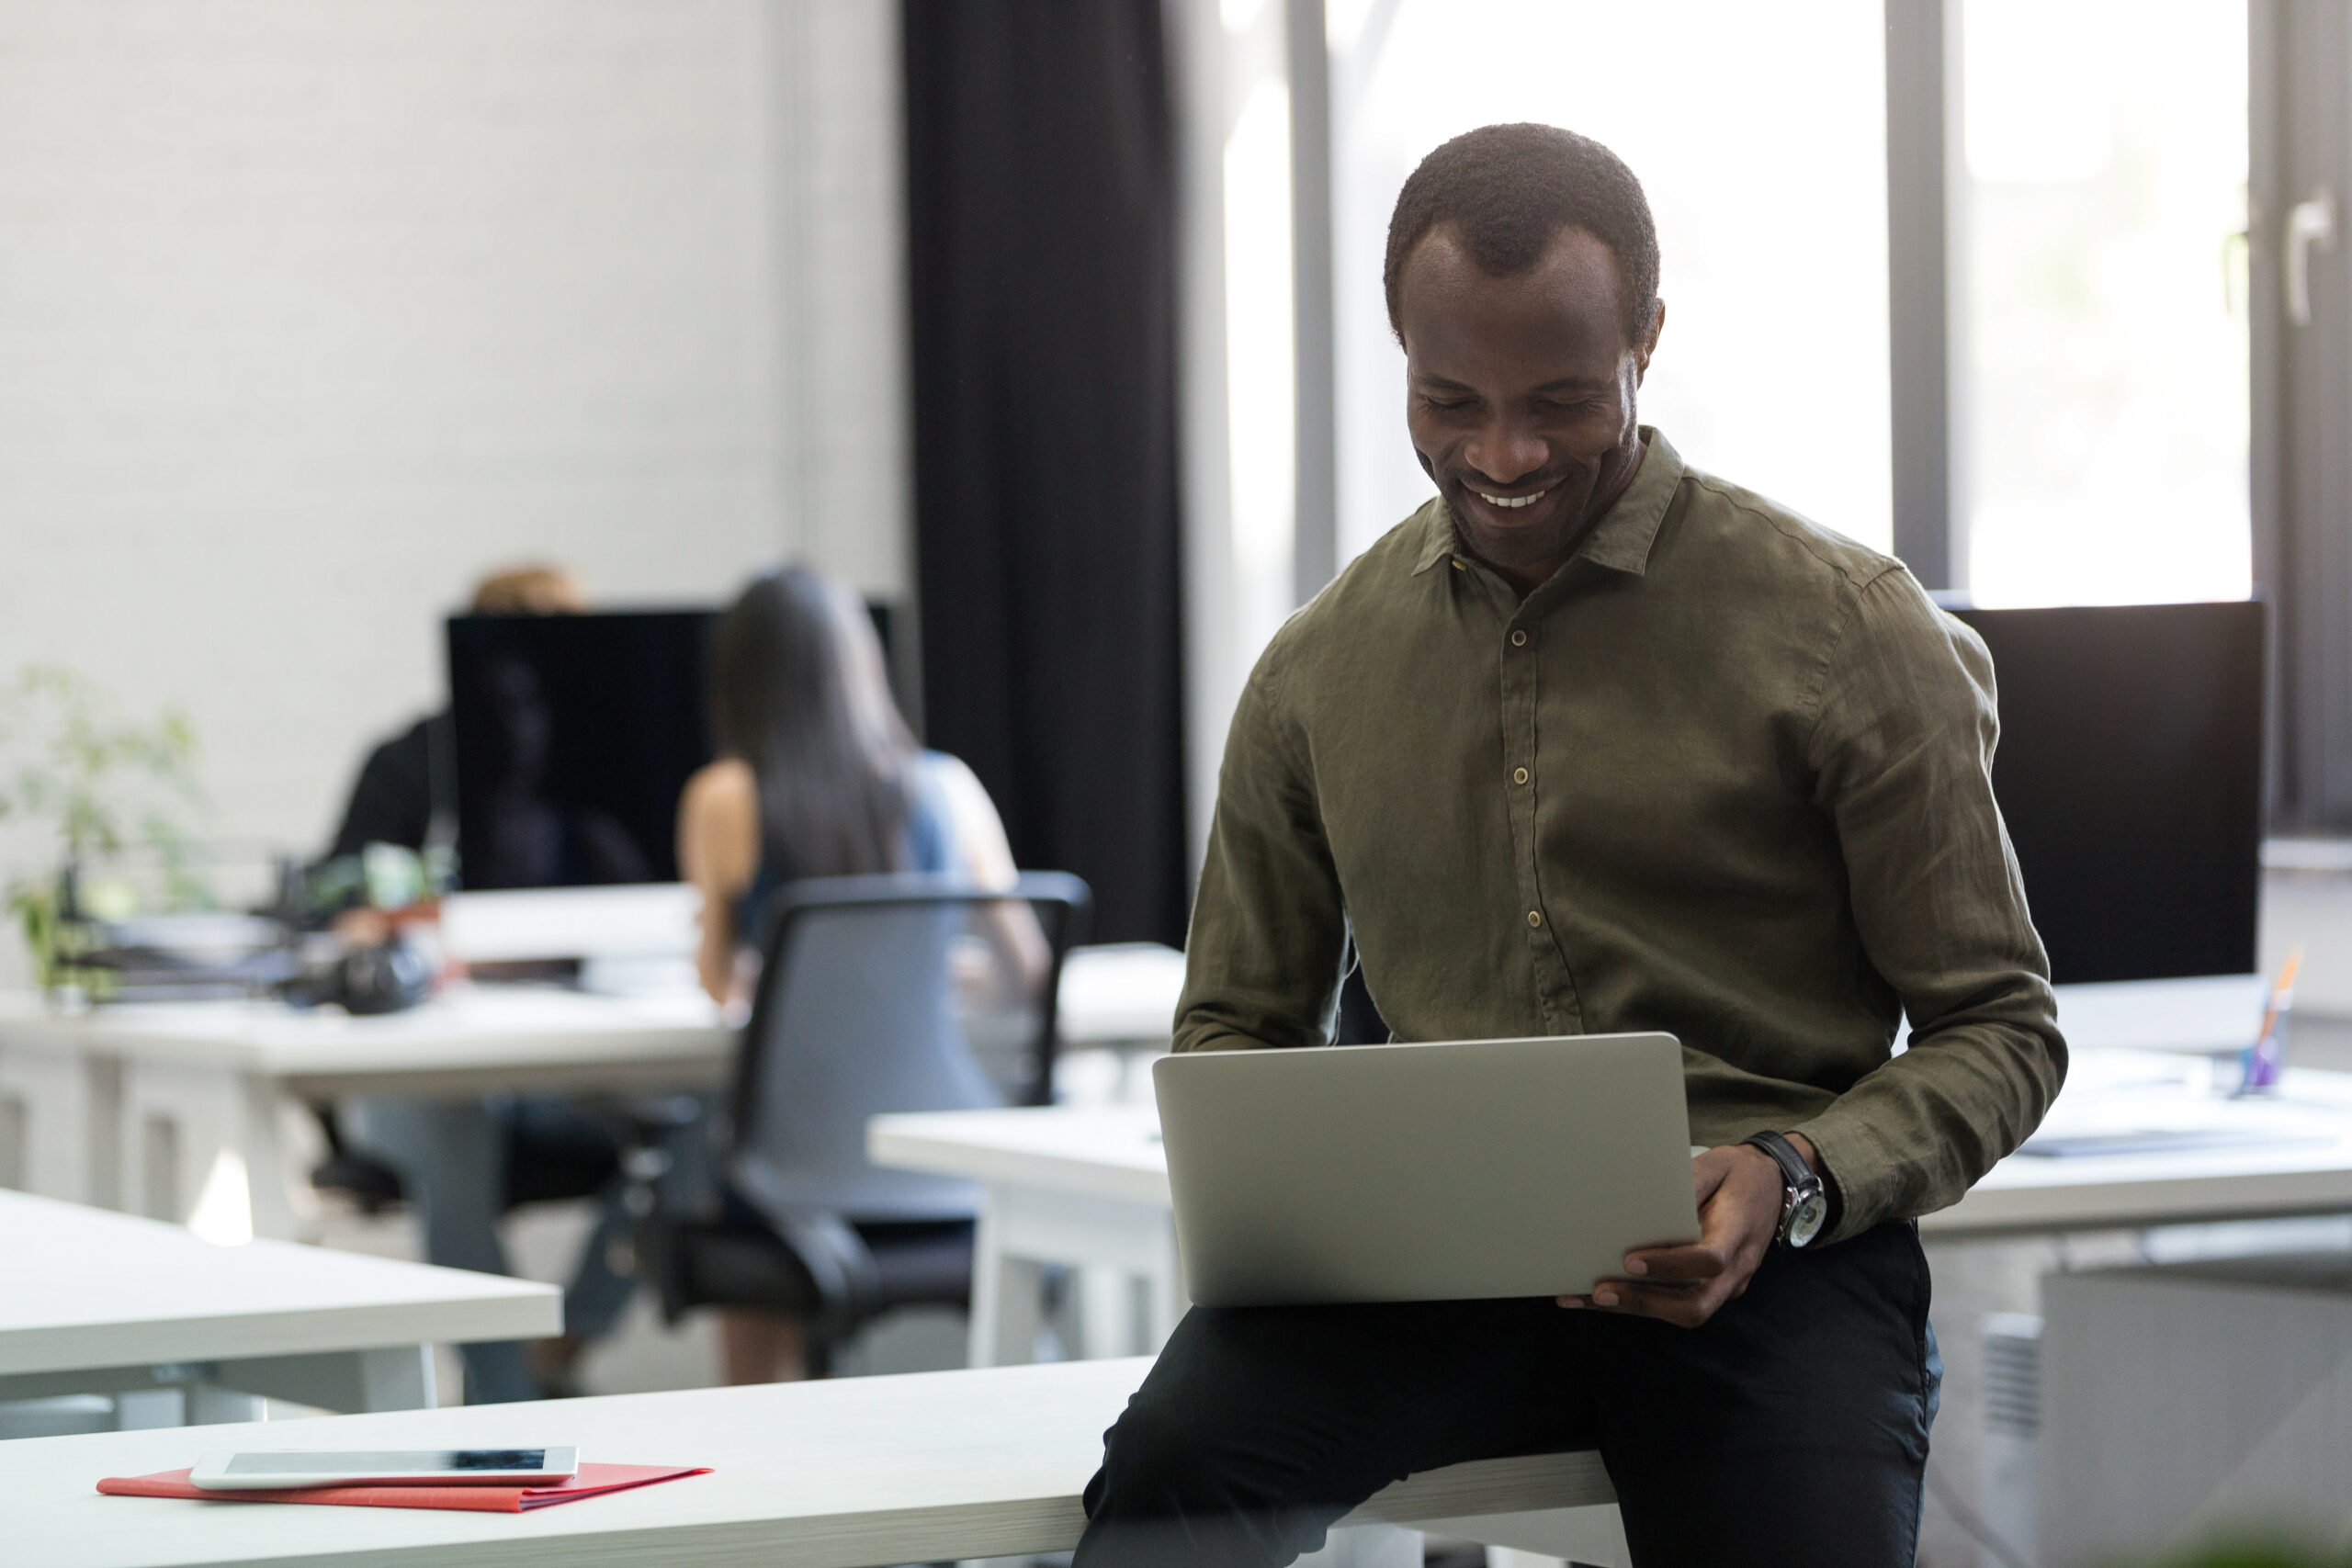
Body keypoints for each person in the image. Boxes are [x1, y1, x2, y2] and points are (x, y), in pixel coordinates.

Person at [1073, 124, 2064, 1567]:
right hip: (1429, 1277)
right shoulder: (1315, 672)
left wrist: (1792, 1172)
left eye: (1557, 399)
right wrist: (1292, 1184)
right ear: (1399, 348)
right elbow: (1235, 1018)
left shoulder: (1850, 630)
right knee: (1166, 1485)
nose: (1503, 454)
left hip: (1769, 1267)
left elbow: (2002, 1027)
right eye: (1449, 398)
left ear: (1647, 340)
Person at [677, 564, 1044, 1384]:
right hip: (951, 1170)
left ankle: (757, 1449)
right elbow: (1027, 970)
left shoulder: (724, 798)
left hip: (792, 1180)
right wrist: (919, 973)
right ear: (860, 666)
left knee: (722, 1173)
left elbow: (716, 982)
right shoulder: (949, 789)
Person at [333, 562, 633, 1404]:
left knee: (701, 1125)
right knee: (448, 1125)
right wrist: (435, 924)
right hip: (430, 1070)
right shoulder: (409, 763)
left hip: (568, 1072)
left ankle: (565, 1342)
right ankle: (510, 1424)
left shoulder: (597, 801)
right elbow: (337, 910)